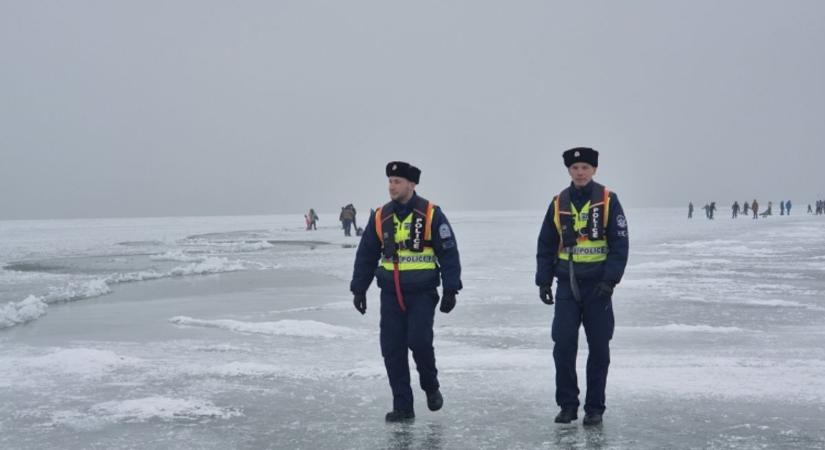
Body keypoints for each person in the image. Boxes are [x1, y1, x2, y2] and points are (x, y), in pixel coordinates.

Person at [350, 161, 462, 423]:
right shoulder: (380, 216)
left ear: (412, 185)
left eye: (397, 181)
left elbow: (449, 252)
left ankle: (430, 387)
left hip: (422, 293)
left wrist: (451, 289)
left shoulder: (431, 214)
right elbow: (366, 255)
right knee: (392, 349)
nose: (392, 186)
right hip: (390, 294)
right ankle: (403, 406)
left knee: (419, 342)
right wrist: (359, 289)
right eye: (390, 181)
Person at [535, 147, 629, 427]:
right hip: (567, 286)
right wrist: (543, 280)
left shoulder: (609, 201)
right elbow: (545, 245)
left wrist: (610, 281)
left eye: (585, 167)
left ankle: (595, 408)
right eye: (575, 168)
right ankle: (567, 405)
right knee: (563, 346)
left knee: (599, 349)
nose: (580, 172)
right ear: (569, 171)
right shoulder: (558, 202)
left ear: (594, 170)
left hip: (598, 288)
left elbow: (620, 245)